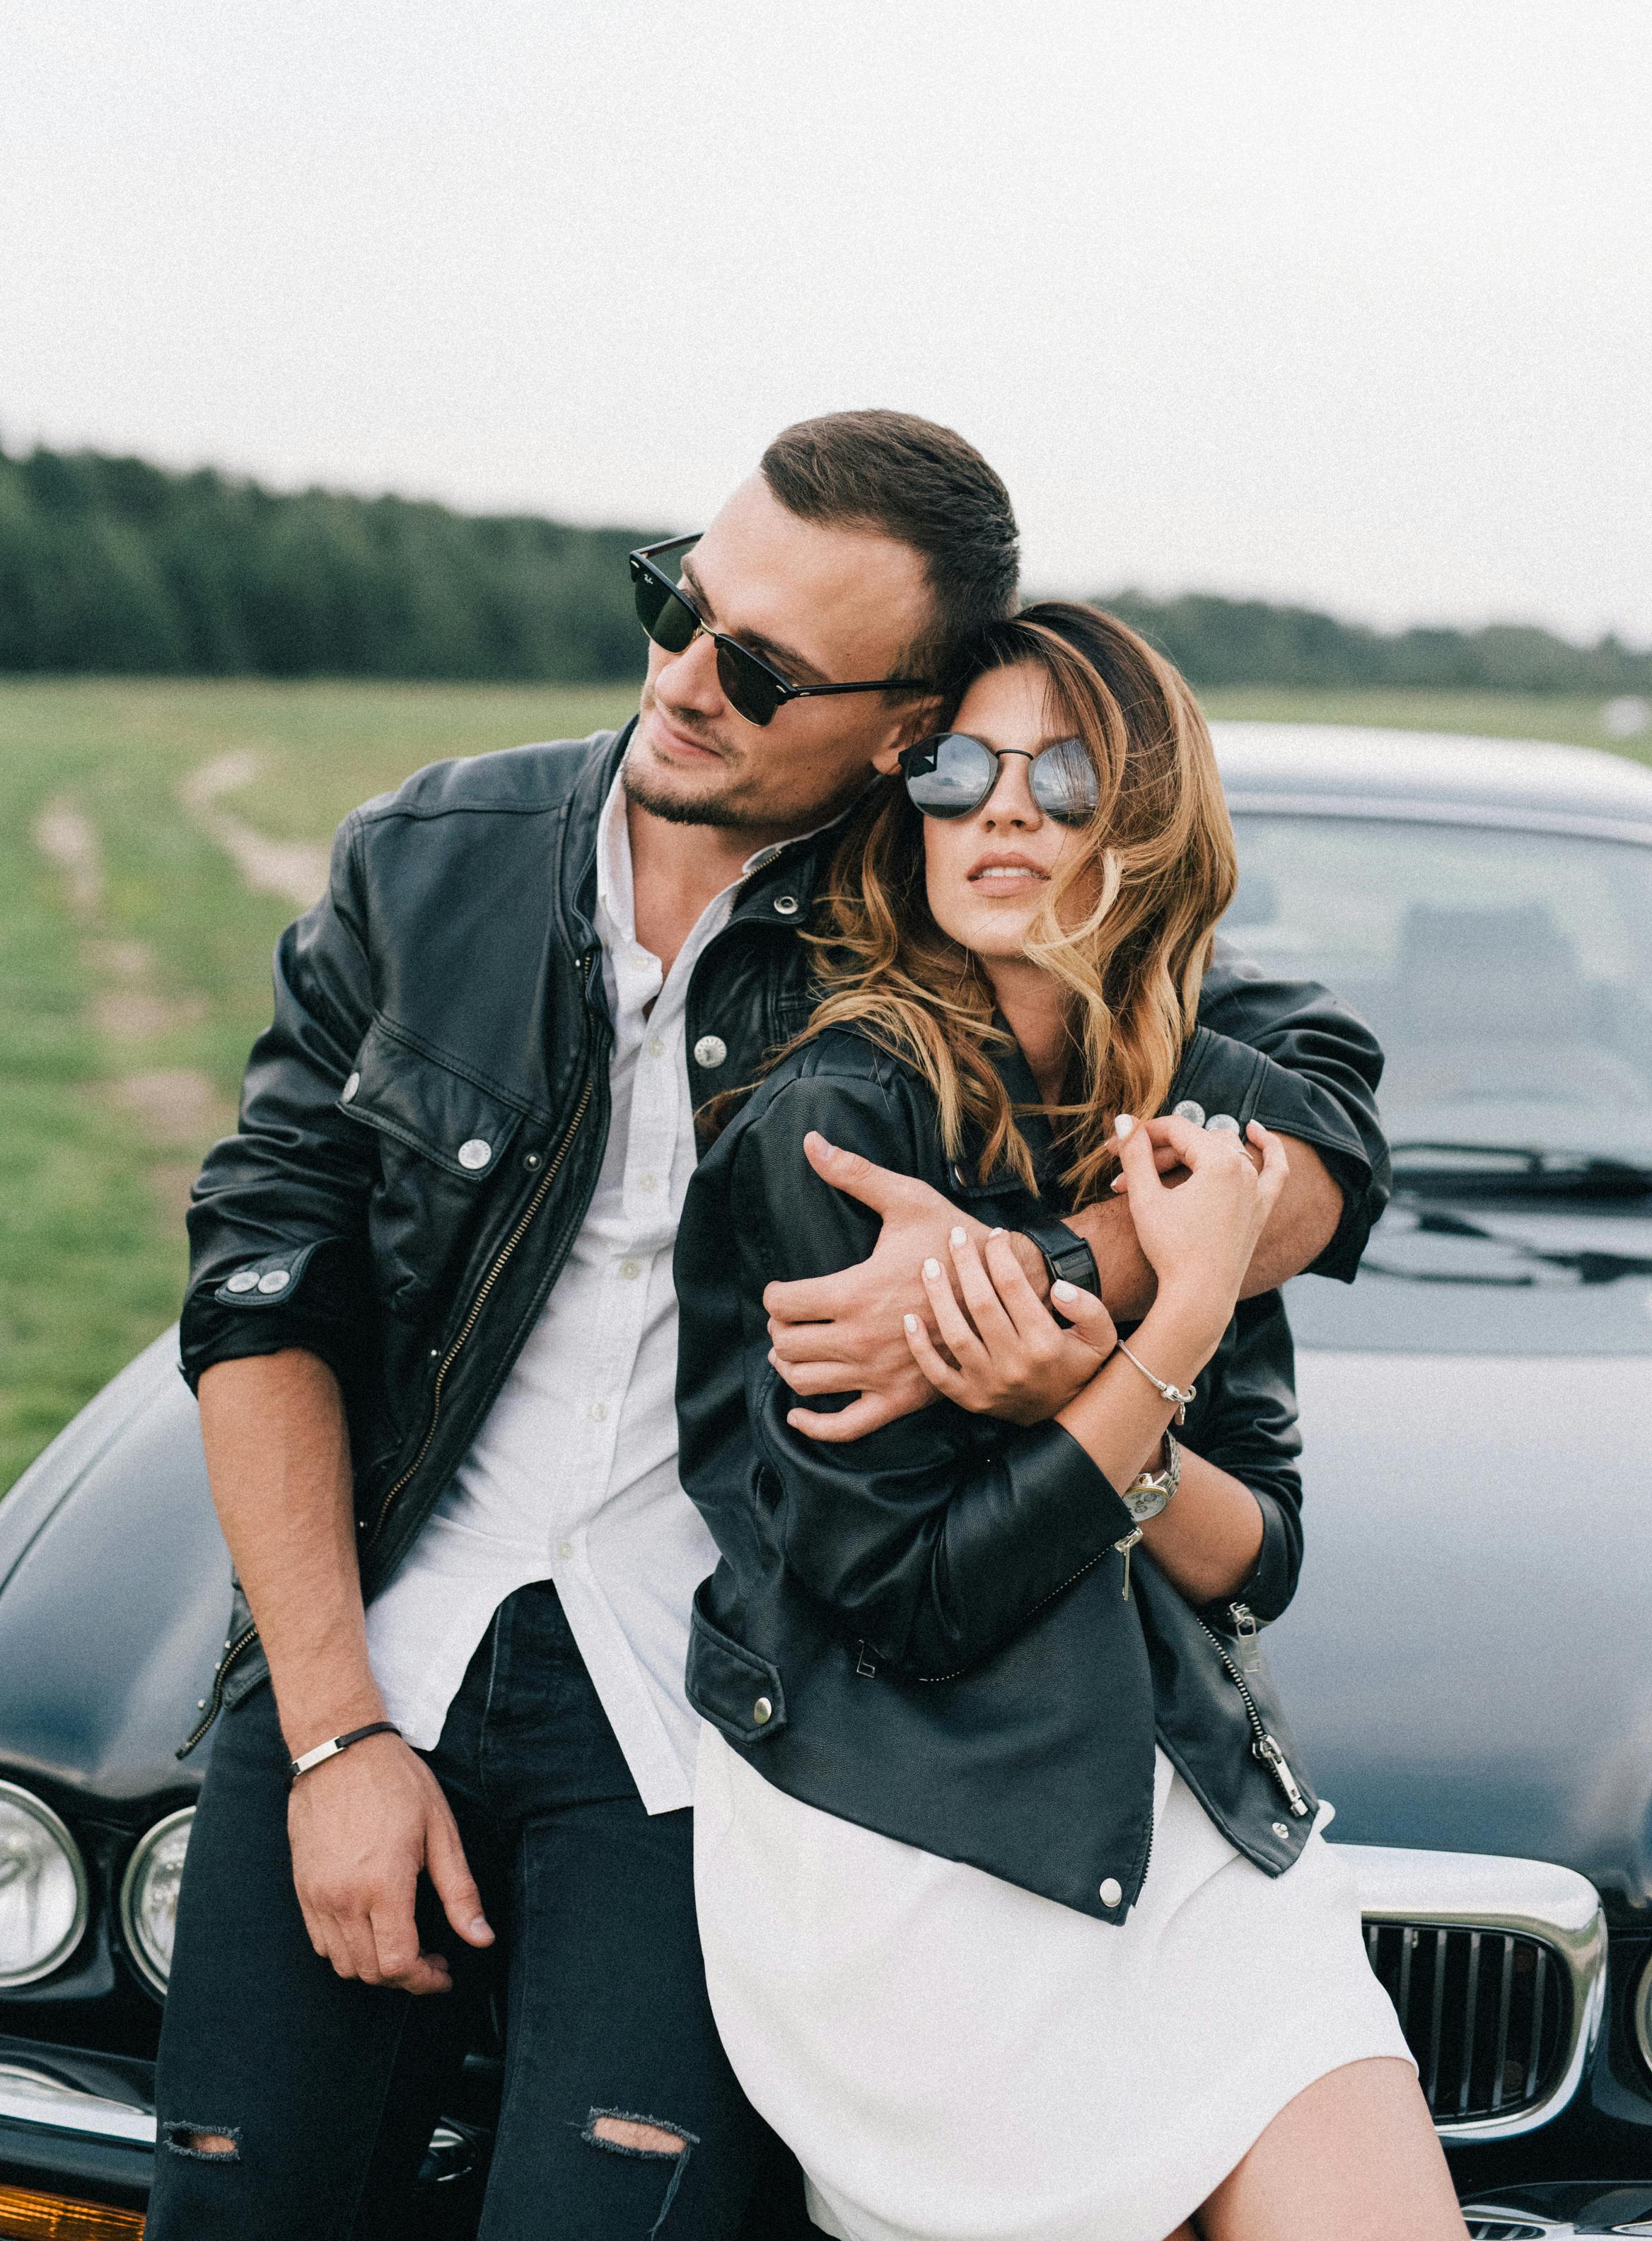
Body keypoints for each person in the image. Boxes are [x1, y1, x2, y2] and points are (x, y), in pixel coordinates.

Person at [151, 412, 1392, 2240]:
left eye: (761, 668)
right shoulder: (433, 854)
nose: (684, 679)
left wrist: (1037, 1271)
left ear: (905, 728)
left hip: (712, 1703)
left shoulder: (940, 910)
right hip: (374, 1630)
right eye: (678, 602)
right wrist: (336, 1737)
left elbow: (1311, 1107)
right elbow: (262, 1269)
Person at [677, 602, 1465, 2241]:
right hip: (910, 1833)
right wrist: (1166, 1322)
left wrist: (1095, 1397)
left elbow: (1256, 1555)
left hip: (1184, 1809)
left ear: (1147, 812)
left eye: (1063, 769)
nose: (1004, 808)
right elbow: (912, 1597)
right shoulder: (838, 1115)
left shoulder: (1196, 1100)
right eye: (958, 767)